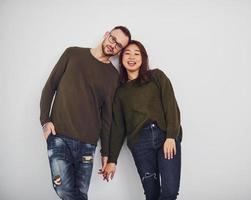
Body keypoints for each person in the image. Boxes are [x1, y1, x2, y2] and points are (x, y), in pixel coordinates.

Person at [40, 26, 131, 200]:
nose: (114, 45)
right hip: (59, 136)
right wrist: (45, 120)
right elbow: (50, 86)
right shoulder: (73, 54)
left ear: (120, 51)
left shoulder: (113, 77)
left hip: (88, 145)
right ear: (106, 35)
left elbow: (107, 119)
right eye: (113, 39)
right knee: (64, 191)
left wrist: (106, 153)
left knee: (80, 194)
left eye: (119, 45)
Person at [103, 40, 182, 200]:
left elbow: (171, 106)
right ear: (122, 59)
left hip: (164, 137)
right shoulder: (120, 93)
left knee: (170, 192)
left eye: (136, 53)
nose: (132, 57)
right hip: (140, 144)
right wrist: (112, 160)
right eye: (127, 53)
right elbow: (118, 128)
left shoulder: (157, 76)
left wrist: (171, 136)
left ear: (143, 58)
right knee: (151, 195)